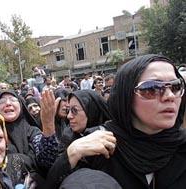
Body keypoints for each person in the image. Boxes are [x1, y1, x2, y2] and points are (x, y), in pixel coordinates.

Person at [47, 54, 186, 189]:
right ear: (125, 96)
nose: (170, 96)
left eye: (175, 86)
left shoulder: (181, 145)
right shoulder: (99, 145)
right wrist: (70, 155)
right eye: (152, 88)